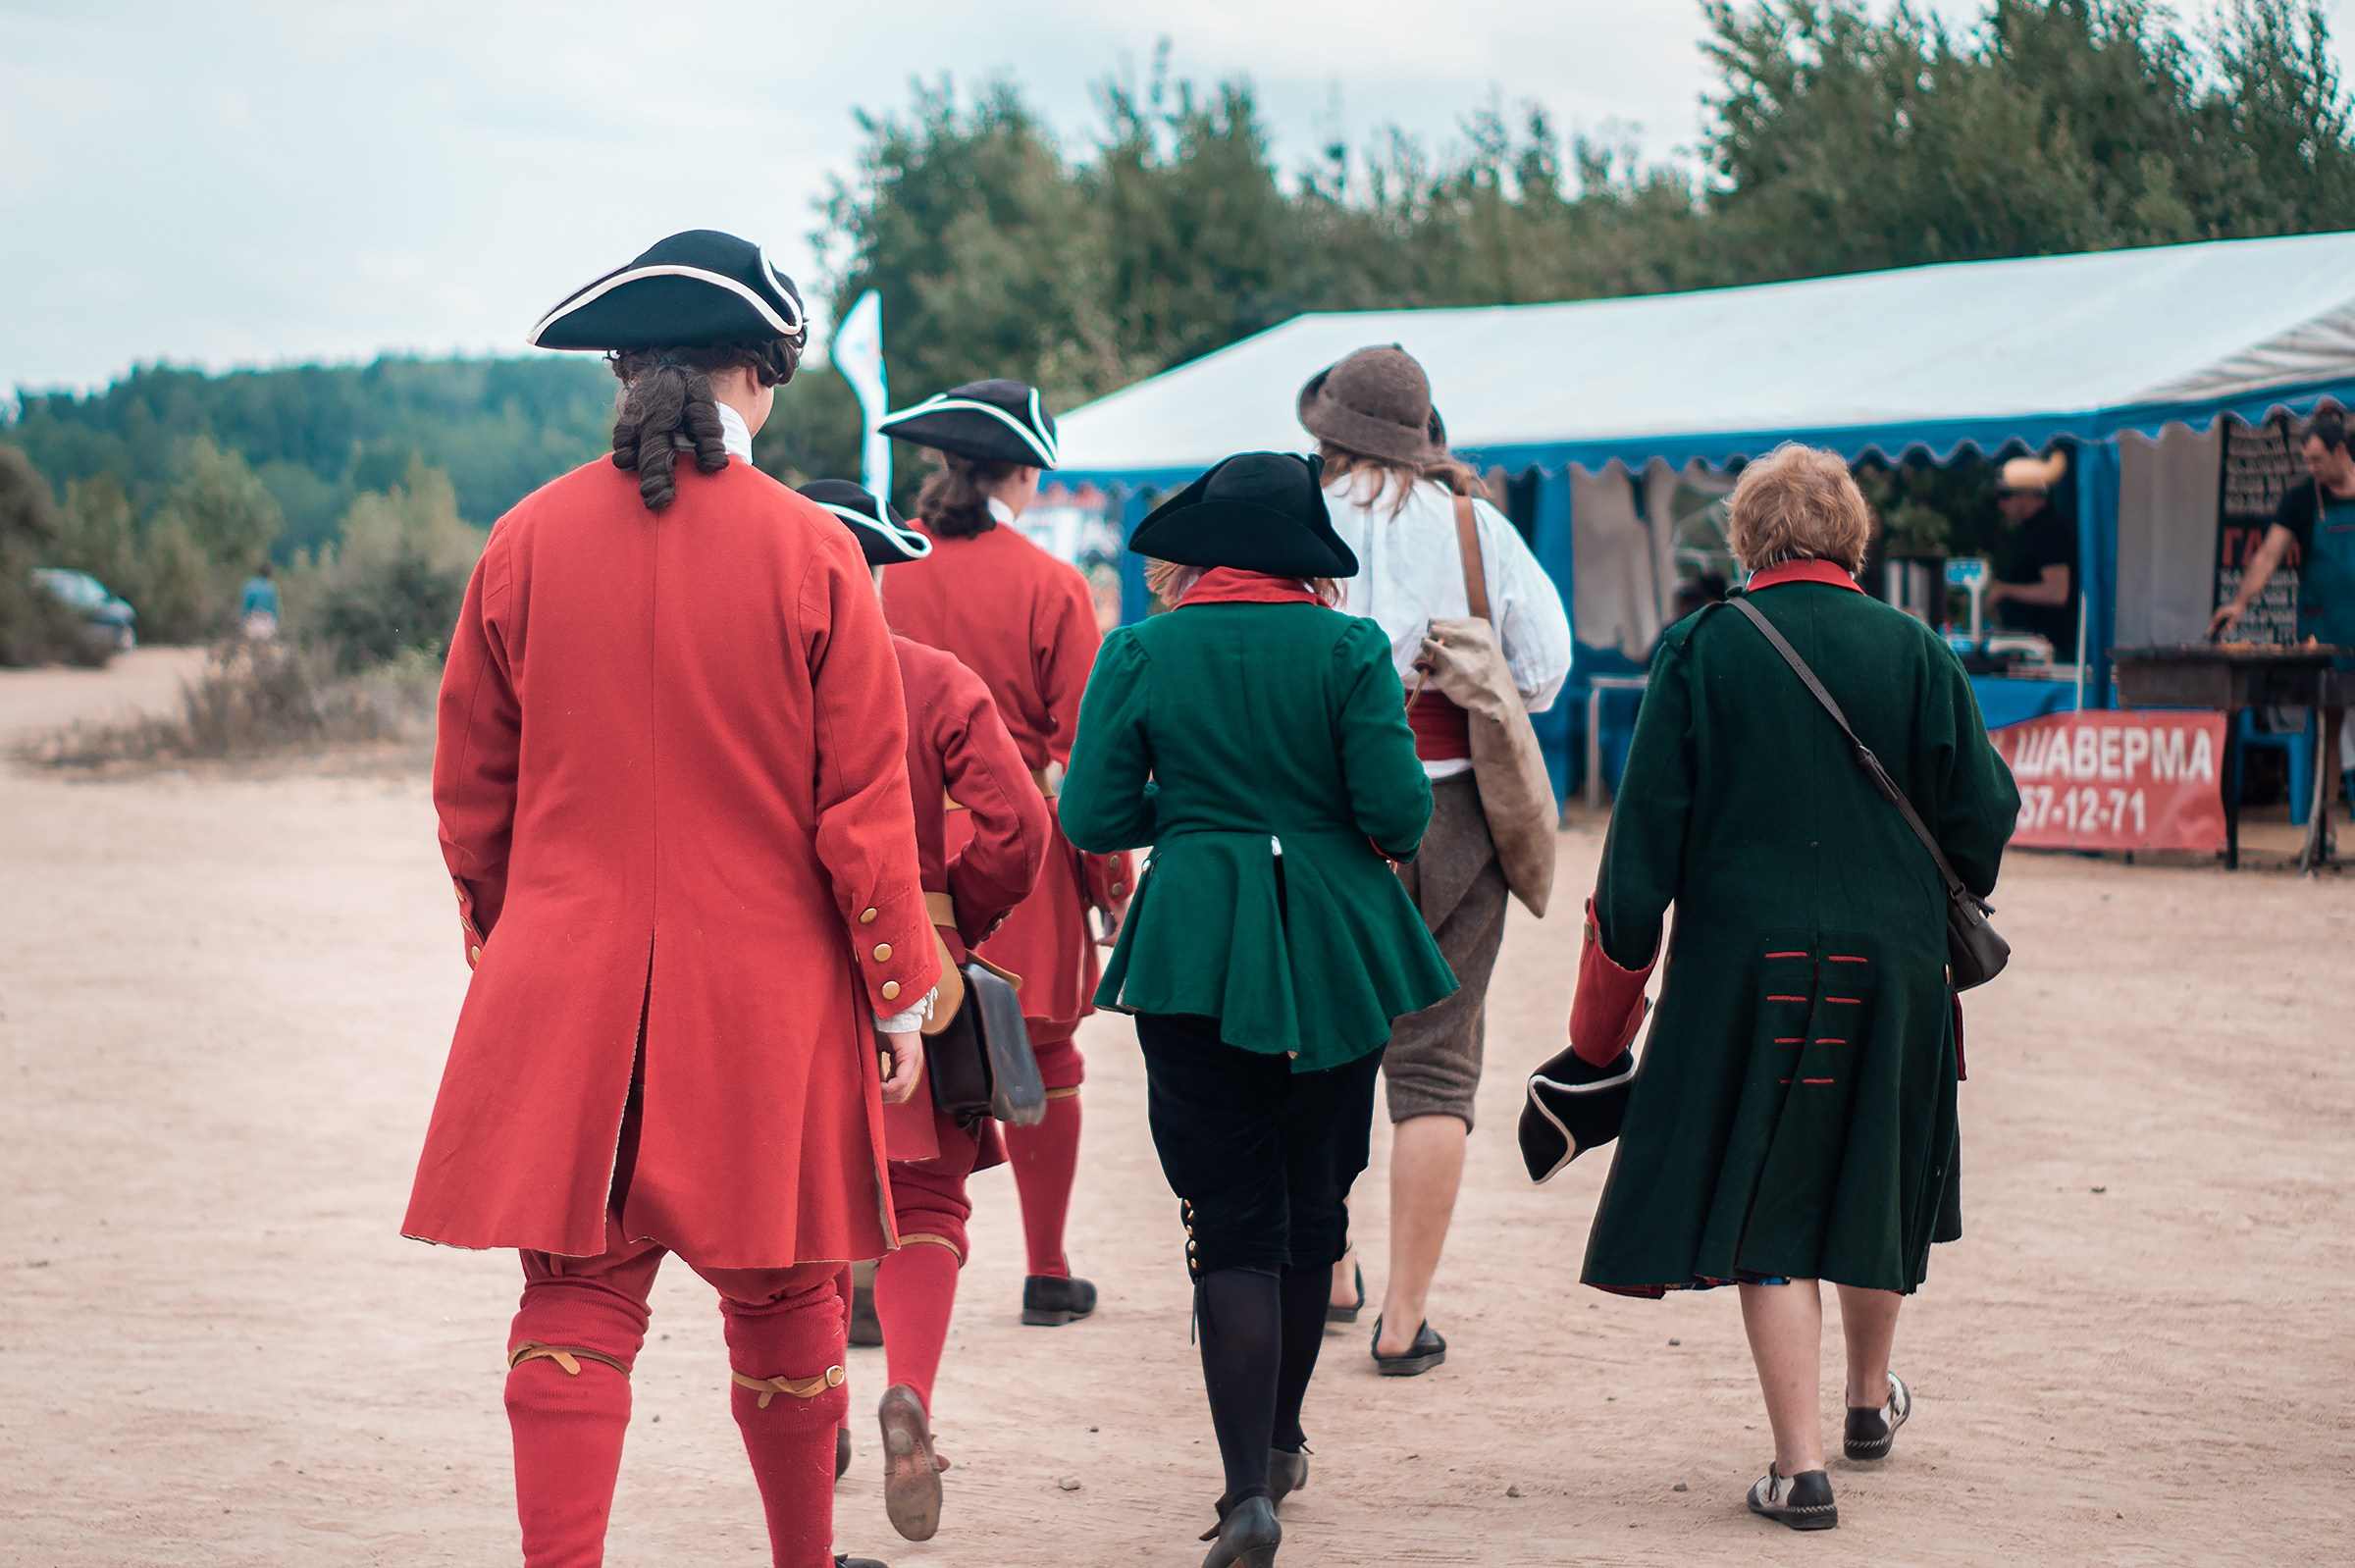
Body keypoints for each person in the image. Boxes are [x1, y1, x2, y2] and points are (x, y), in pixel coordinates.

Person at [404, 231, 935, 1568]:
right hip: (767, 994)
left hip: (565, 980)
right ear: (759, 375)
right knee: (788, 1293)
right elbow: (861, 811)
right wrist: (899, 991)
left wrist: (513, 942)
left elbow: (471, 794)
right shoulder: (814, 554)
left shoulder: (518, 543)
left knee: (575, 1295)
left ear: (623, 374)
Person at [1559, 444, 2016, 1531]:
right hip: (1896, 965)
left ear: (1745, 540)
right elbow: (1985, 819)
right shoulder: (1916, 648)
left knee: (1770, 1197)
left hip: (1744, 971)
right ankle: (1867, 1402)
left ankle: (1800, 1466)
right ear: (1851, 536)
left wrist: (1601, 1020)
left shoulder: (1703, 648)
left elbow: (1640, 853)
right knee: (1874, 1171)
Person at [1060, 450, 1456, 1567]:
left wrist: (1194, 811)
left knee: (1228, 1213)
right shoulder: (1349, 648)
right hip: (1337, 940)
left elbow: (1091, 815)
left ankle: (1245, 1493)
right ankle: (1281, 1437)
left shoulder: (1138, 647)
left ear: (1209, 553)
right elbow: (1397, 815)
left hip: (1194, 939)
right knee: (1312, 1201)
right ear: (1300, 555)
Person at [1295, 345, 1572, 1372]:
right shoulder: (1473, 526)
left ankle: (1329, 1263)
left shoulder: (1299, 520)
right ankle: (1404, 1320)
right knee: (1437, 1060)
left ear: (1329, 431)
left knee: (1321, 1044)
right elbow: (1542, 670)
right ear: (1421, 432)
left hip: (1327, 815)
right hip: (1454, 810)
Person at [800, 479, 1052, 1542]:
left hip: (786, 973)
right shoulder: (934, 677)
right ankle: (908, 1388)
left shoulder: (754, 687)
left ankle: (813, 1410)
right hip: (921, 961)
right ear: (882, 569)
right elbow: (1020, 828)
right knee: (929, 1203)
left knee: (798, 1203)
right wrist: (959, 918)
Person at [879, 379, 1132, 1329]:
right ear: (1024, 474)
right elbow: (1087, 748)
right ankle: (1047, 1268)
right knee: (1046, 1049)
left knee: (885, 1053)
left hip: (892, 841)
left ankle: (874, 1265)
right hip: (1008, 832)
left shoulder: (885, 568)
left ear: (946, 467)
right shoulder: (1051, 582)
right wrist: (1109, 874)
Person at [1984, 453, 2076, 653]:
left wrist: (2004, 589)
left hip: (2050, 650)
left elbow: (2057, 592)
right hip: (2036, 646)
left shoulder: (2048, 530)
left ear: (2028, 493)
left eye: (2006, 495)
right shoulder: (2035, 529)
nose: (2001, 504)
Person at [237, 561, 281, 640]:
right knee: (265, 647)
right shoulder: (272, 587)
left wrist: (242, 619)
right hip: (268, 620)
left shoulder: (250, 585)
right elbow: (275, 607)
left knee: (250, 646)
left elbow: (246, 604)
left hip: (252, 618)